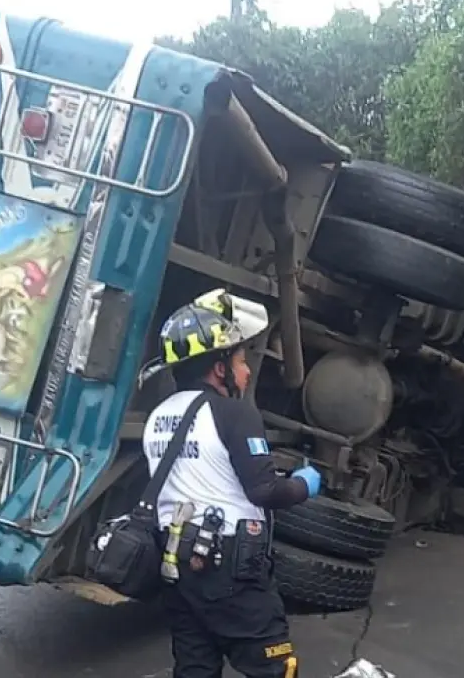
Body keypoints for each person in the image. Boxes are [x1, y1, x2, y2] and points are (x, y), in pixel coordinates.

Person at [141, 288, 322, 678]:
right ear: (218, 367)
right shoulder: (233, 413)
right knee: (274, 666)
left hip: (176, 563)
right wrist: (305, 485)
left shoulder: (158, 417)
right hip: (229, 563)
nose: (247, 371)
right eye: (240, 360)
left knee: (195, 667)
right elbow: (264, 490)